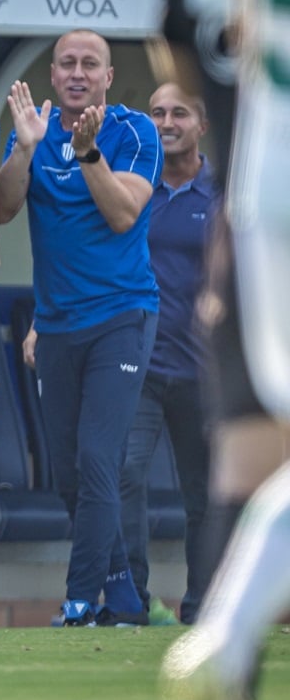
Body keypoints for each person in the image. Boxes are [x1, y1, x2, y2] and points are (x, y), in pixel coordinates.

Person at [157, 0, 290, 700]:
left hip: (259, 196)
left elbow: (187, 61)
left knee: (251, 466)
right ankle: (227, 634)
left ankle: (228, 658)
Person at [0, 30, 162, 627]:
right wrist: (24, 150)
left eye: (90, 64)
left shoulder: (134, 132)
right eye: (66, 63)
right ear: (53, 73)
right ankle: (123, 599)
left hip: (122, 317)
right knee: (69, 472)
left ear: (108, 76)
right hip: (57, 325)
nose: (77, 73)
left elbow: (122, 215)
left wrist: (89, 153)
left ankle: (78, 600)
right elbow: (1, 208)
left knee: (97, 459)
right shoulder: (33, 130)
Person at [117, 82, 215, 628]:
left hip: (204, 370)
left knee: (203, 495)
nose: (166, 122)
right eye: (156, 113)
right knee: (125, 475)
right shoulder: (132, 186)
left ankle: (203, 608)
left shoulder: (227, 193)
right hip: (138, 363)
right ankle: (131, 600)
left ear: (201, 123)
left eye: (179, 112)